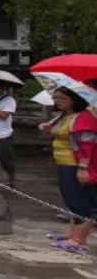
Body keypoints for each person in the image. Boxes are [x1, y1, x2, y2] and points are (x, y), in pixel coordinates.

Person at [41, 88, 97, 251]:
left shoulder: (84, 117)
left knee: (81, 202)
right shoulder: (63, 116)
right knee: (71, 201)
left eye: (63, 98)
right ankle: (72, 234)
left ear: (74, 100)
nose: (57, 101)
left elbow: (87, 144)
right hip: (63, 162)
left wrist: (83, 167)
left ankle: (79, 240)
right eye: (55, 98)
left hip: (75, 163)